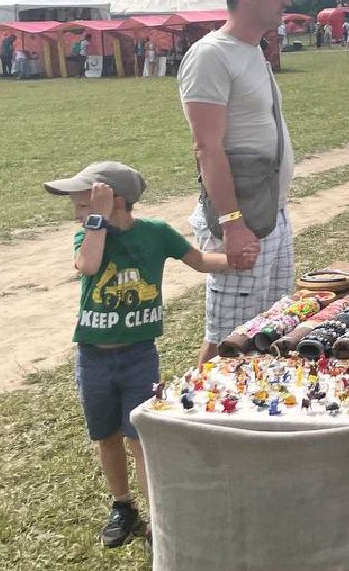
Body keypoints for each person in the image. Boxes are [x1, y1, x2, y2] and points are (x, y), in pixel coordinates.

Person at [47, 160, 228, 547]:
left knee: (139, 437)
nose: (78, 214)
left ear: (116, 200)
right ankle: (123, 506)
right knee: (107, 435)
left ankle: (156, 519)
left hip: (138, 356)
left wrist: (239, 258)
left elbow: (199, 261)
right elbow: (88, 265)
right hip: (93, 356)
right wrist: (95, 220)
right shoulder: (88, 236)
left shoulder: (156, 233)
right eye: (80, 208)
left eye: (84, 204)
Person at [178, 0, 296, 365]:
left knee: (270, 328)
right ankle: (200, 421)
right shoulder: (212, 54)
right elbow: (207, 146)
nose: (287, 0)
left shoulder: (252, 50)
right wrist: (232, 223)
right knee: (228, 338)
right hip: (241, 217)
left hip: (268, 212)